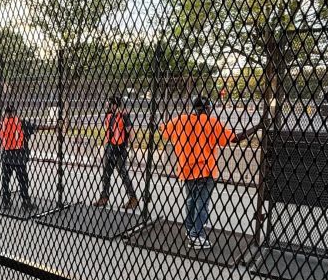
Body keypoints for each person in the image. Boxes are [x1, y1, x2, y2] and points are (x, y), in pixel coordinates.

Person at [162, 96, 259, 249]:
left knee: (191, 201)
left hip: (186, 170)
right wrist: (257, 127)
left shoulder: (180, 120)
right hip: (204, 170)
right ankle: (196, 236)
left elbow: (163, 130)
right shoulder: (210, 122)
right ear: (207, 108)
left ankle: (190, 229)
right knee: (202, 204)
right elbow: (234, 138)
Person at [94, 95, 139, 211]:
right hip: (109, 147)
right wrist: (103, 148)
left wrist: (133, 148)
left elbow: (131, 131)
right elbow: (107, 132)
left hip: (120, 148)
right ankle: (104, 197)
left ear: (115, 104)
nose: (107, 105)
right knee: (106, 173)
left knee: (123, 173)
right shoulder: (108, 116)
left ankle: (133, 198)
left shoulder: (123, 115)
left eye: (109, 103)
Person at [0, 104, 36, 210]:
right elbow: (34, 128)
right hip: (19, 155)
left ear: (6, 113)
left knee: (5, 180)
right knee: (23, 180)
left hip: (6, 155)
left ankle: (6, 202)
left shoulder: (2, 123)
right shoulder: (20, 122)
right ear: (14, 112)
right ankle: (26, 202)